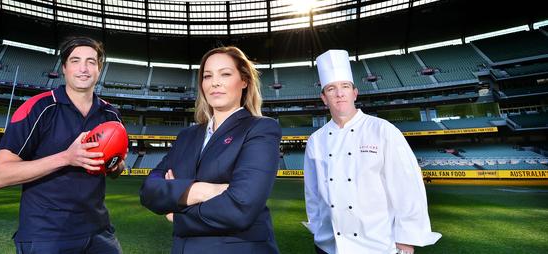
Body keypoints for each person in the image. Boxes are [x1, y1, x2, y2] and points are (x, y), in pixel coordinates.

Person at [0, 36, 126, 254]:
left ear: (99, 69)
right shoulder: (38, 107)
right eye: (75, 61)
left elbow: (116, 169)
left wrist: (114, 165)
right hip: (47, 236)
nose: (84, 68)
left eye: (91, 62)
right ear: (64, 67)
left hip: (99, 232)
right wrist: (67, 157)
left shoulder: (111, 114)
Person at [139, 46, 282, 254]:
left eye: (225, 74)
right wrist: (202, 191)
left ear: (244, 81)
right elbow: (148, 190)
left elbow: (241, 207)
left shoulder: (261, 129)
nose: (215, 82)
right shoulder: (186, 136)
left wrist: (177, 209)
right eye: (207, 76)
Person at [303, 50, 441, 254]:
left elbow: (407, 186)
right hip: (329, 246)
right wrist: (317, 229)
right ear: (324, 97)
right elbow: (312, 193)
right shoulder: (316, 141)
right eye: (331, 89)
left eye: (345, 87)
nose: (339, 93)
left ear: (354, 93)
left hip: (376, 245)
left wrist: (406, 238)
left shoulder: (383, 130)